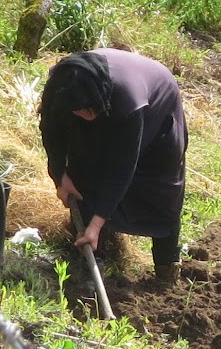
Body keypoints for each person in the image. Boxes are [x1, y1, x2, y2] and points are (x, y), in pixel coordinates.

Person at [38, 48, 188, 284]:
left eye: (88, 110)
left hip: (155, 111)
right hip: (103, 104)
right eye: (77, 110)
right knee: (83, 171)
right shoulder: (61, 88)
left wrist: (97, 223)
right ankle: (92, 256)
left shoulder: (128, 100)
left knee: (162, 188)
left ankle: (166, 266)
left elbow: (122, 167)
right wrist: (59, 174)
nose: (85, 116)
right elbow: (50, 130)